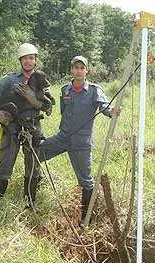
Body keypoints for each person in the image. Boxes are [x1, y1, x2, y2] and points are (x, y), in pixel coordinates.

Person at [38, 55, 121, 227]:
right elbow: (63, 111)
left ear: (86, 71)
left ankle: (86, 217)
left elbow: (105, 108)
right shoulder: (64, 90)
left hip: (82, 144)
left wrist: (113, 111)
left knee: (86, 181)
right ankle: (33, 196)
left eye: (81, 68)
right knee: (36, 153)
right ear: (71, 70)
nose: (78, 70)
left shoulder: (94, 90)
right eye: (75, 67)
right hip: (63, 138)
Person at [0, 43, 52, 207]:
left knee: (33, 166)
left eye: (31, 58)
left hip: (33, 127)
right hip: (12, 127)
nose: (28, 62)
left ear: (35, 60)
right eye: (24, 58)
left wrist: (38, 100)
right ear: (20, 61)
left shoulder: (41, 81)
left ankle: (30, 203)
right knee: (5, 164)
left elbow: (49, 104)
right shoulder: (9, 80)